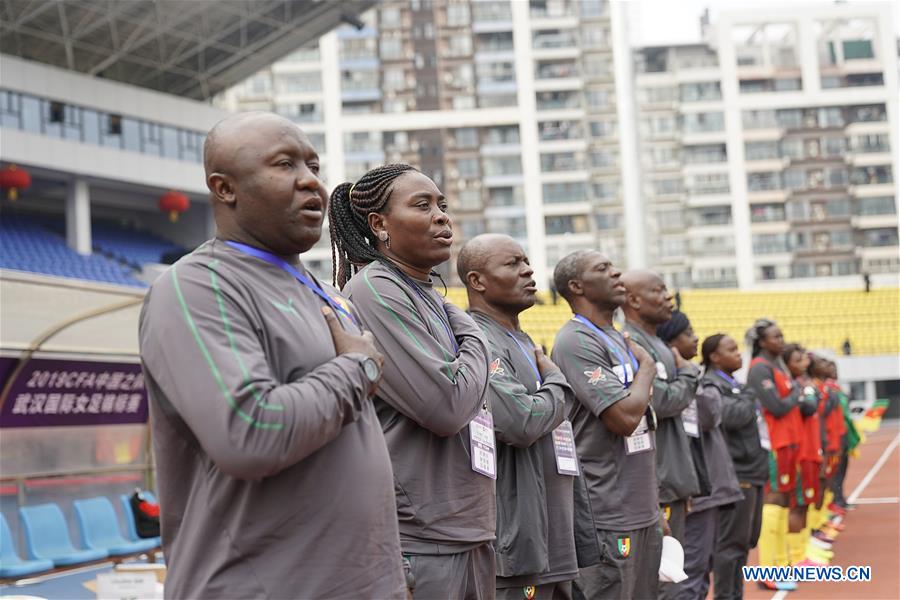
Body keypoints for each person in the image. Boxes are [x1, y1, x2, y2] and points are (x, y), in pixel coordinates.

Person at [138, 112, 406, 599]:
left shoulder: (328, 295)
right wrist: (357, 367)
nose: (311, 181)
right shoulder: (199, 286)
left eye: (314, 165)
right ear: (225, 188)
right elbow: (249, 432)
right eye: (284, 165)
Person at [328, 164, 493, 599]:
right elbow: (448, 405)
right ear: (379, 225)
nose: (441, 216)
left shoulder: (426, 295)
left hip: (462, 527)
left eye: (442, 205)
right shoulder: (376, 288)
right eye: (422, 205)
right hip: (421, 539)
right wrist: (476, 332)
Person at [459, 234, 578, 599]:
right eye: (512, 264)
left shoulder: (523, 341)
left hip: (552, 538)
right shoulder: (478, 338)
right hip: (517, 543)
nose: (528, 270)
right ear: (477, 281)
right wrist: (558, 381)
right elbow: (521, 421)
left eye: (526, 261)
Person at [550, 250, 662, 600]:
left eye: (615, 267)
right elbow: (626, 418)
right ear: (576, 286)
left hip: (641, 506)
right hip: (606, 510)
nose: (618, 274)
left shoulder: (615, 337)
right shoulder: (576, 341)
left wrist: (653, 506)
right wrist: (647, 369)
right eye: (604, 269)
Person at [620, 271, 702, 600]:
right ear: (634, 301)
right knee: (660, 582)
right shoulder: (631, 343)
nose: (668, 298)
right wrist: (689, 374)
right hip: (657, 483)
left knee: (673, 576)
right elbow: (662, 401)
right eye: (659, 291)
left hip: (673, 479)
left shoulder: (658, 344)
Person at [658, 318, 742, 600]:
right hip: (694, 490)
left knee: (702, 567)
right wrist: (689, 376)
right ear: (671, 345)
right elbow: (710, 415)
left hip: (707, 486)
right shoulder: (680, 378)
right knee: (689, 570)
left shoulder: (693, 377)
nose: (695, 339)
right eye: (688, 334)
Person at [703, 335, 768, 600]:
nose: (738, 353)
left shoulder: (737, 386)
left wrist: (746, 395)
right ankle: (725, 596)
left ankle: (735, 595)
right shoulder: (710, 384)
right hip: (735, 473)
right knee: (729, 544)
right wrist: (749, 396)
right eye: (730, 350)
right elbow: (731, 416)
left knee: (745, 542)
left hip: (752, 470)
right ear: (714, 357)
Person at [744, 319, 804, 591]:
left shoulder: (776, 366)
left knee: (783, 501)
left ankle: (782, 563)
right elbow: (778, 407)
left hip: (789, 442)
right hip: (774, 444)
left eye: (781, 335)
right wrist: (795, 394)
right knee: (774, 499)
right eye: (775, 337)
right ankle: (768, 569)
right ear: (762, 341)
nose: (781, 340)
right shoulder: (759, 369)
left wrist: (793, 393)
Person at [781, 345, 828, 567]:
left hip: (811, 449)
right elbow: (808, 408)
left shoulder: (802, 386)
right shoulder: (794, 388)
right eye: (798, 360)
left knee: (805, 503)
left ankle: (803, 549)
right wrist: (808, 392)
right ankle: (795, 555)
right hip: (800, 453)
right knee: (797, 505)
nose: (805, 364)